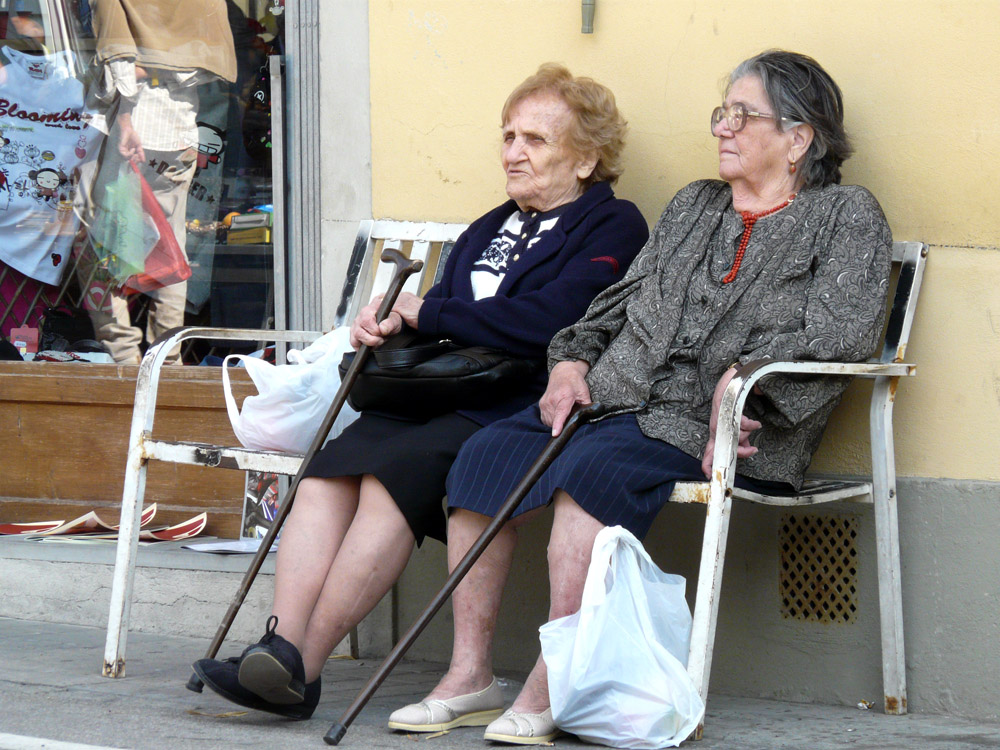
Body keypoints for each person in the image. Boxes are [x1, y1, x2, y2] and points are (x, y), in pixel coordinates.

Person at [394, 50, 893, 745]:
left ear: (799, 138)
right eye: (723, 112)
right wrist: (569, 364)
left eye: (742, 116)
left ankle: (551, 685)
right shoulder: (694, 205)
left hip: (729, 422)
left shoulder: (844, 217)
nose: (723, 127)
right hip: (615, 399)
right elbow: (610, 308)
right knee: (486, 455)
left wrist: (742, 376)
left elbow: (844, 333)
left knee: (590, 475)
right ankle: (469, 674)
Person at [192, 63, 649, 719]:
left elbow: (555, 322)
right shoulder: (492, 225)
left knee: (390, 477)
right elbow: (443, 307)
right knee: (326, 472)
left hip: (515, 398)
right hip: (439, 388)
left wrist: (426, 313)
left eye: (536, 140)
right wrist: (386, 320)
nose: (514, 152)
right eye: (509, 135)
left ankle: (301, 669)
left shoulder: (613, 226)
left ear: (589, 158)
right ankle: (279, 644)